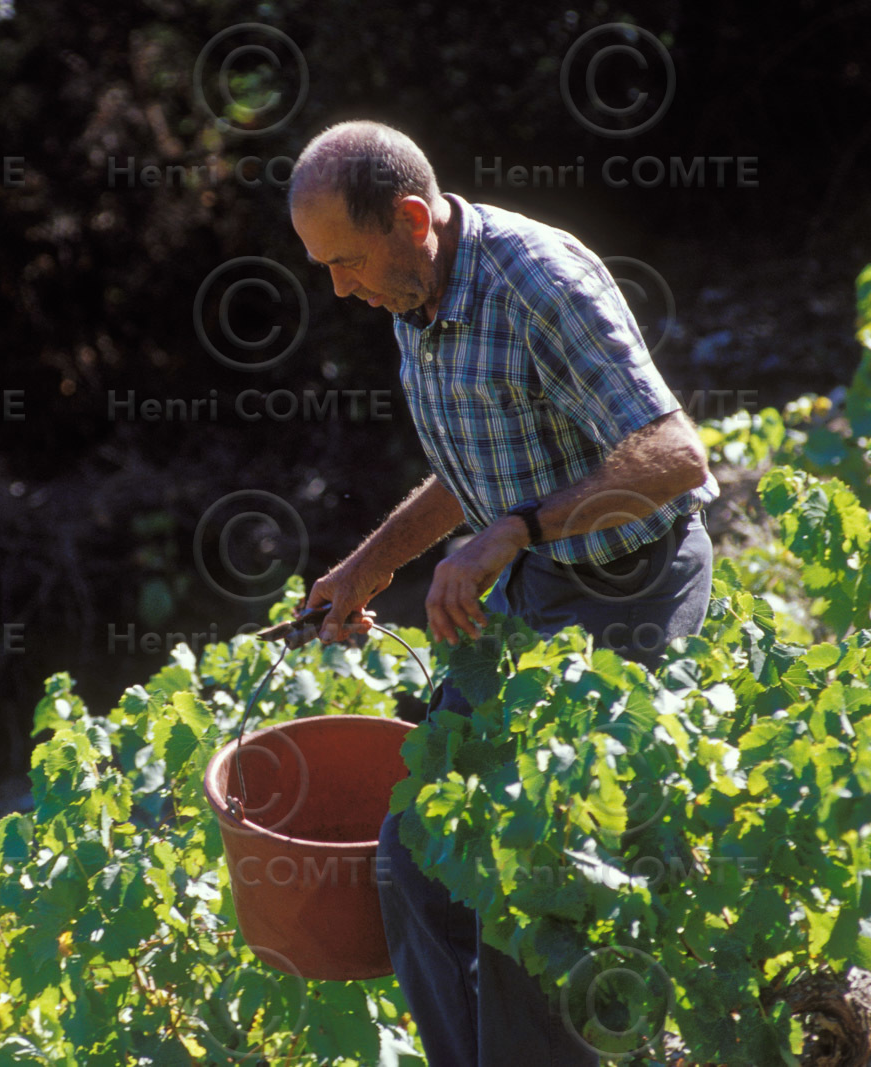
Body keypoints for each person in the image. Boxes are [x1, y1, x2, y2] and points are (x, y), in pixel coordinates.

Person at [286, 120, 719, 1066]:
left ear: (410, 220)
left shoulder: (537, 279)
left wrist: (512, 531)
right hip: (529, 591)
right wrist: (373, 564)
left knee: (524, 876)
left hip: (628, 583)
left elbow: (676, 457)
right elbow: (470, 464)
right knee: (415, 859)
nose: (338, 287)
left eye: (345, 260)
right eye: (323, 265)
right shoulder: (411, 299)